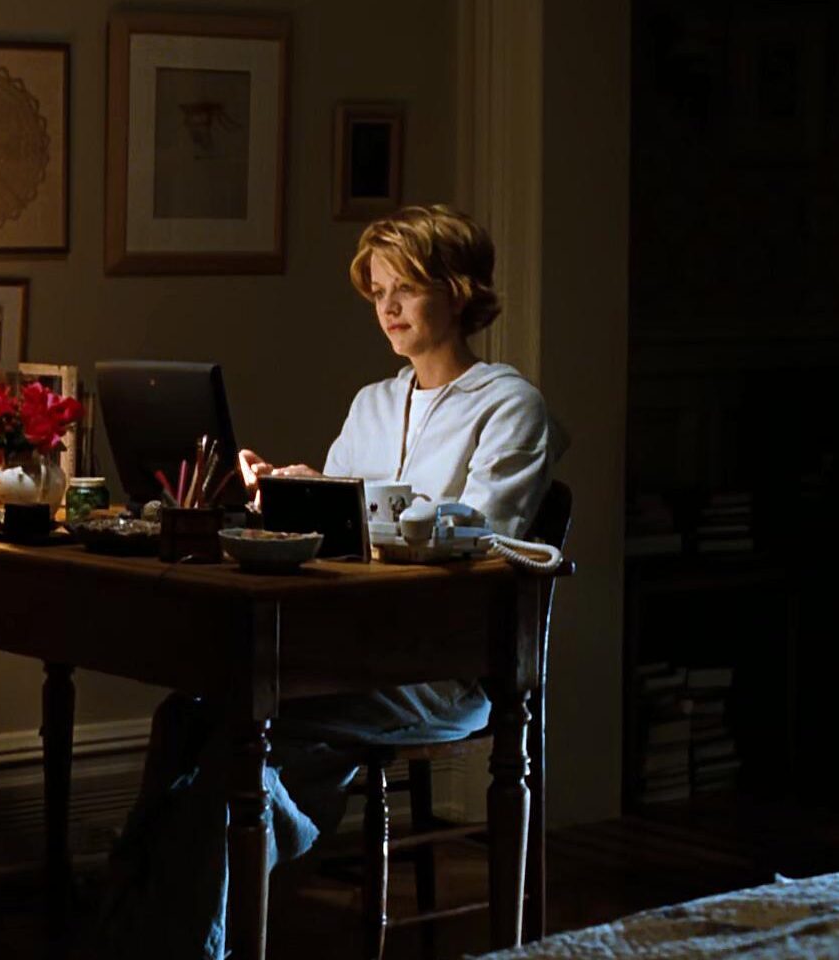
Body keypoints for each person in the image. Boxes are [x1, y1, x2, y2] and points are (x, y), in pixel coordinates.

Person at [97, 205, 564, 959]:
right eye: (378, 292)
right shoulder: (374, 404)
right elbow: (342, 534)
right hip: (353, 645)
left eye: (405, 289)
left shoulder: (509, 405)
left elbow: (481, 532)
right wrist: (286, 490)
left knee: (236, 748)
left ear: (457, 289)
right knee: (183, 715)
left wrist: (351, 502)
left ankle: (169, 932)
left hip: (442, 663)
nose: (387, 310)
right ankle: (149, 913)